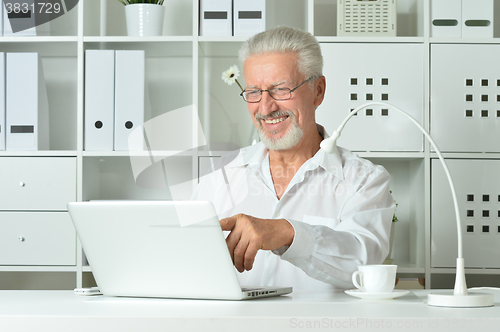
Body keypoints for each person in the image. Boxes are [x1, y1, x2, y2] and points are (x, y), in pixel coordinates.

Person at [191, 26, 396, 290]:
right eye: (254, 92)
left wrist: (289, 233)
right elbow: (183, 259)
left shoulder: (363, 180)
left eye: (281, 89)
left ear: (318, 91)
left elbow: (362, 265)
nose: (265, 108)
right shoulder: (221, 175)